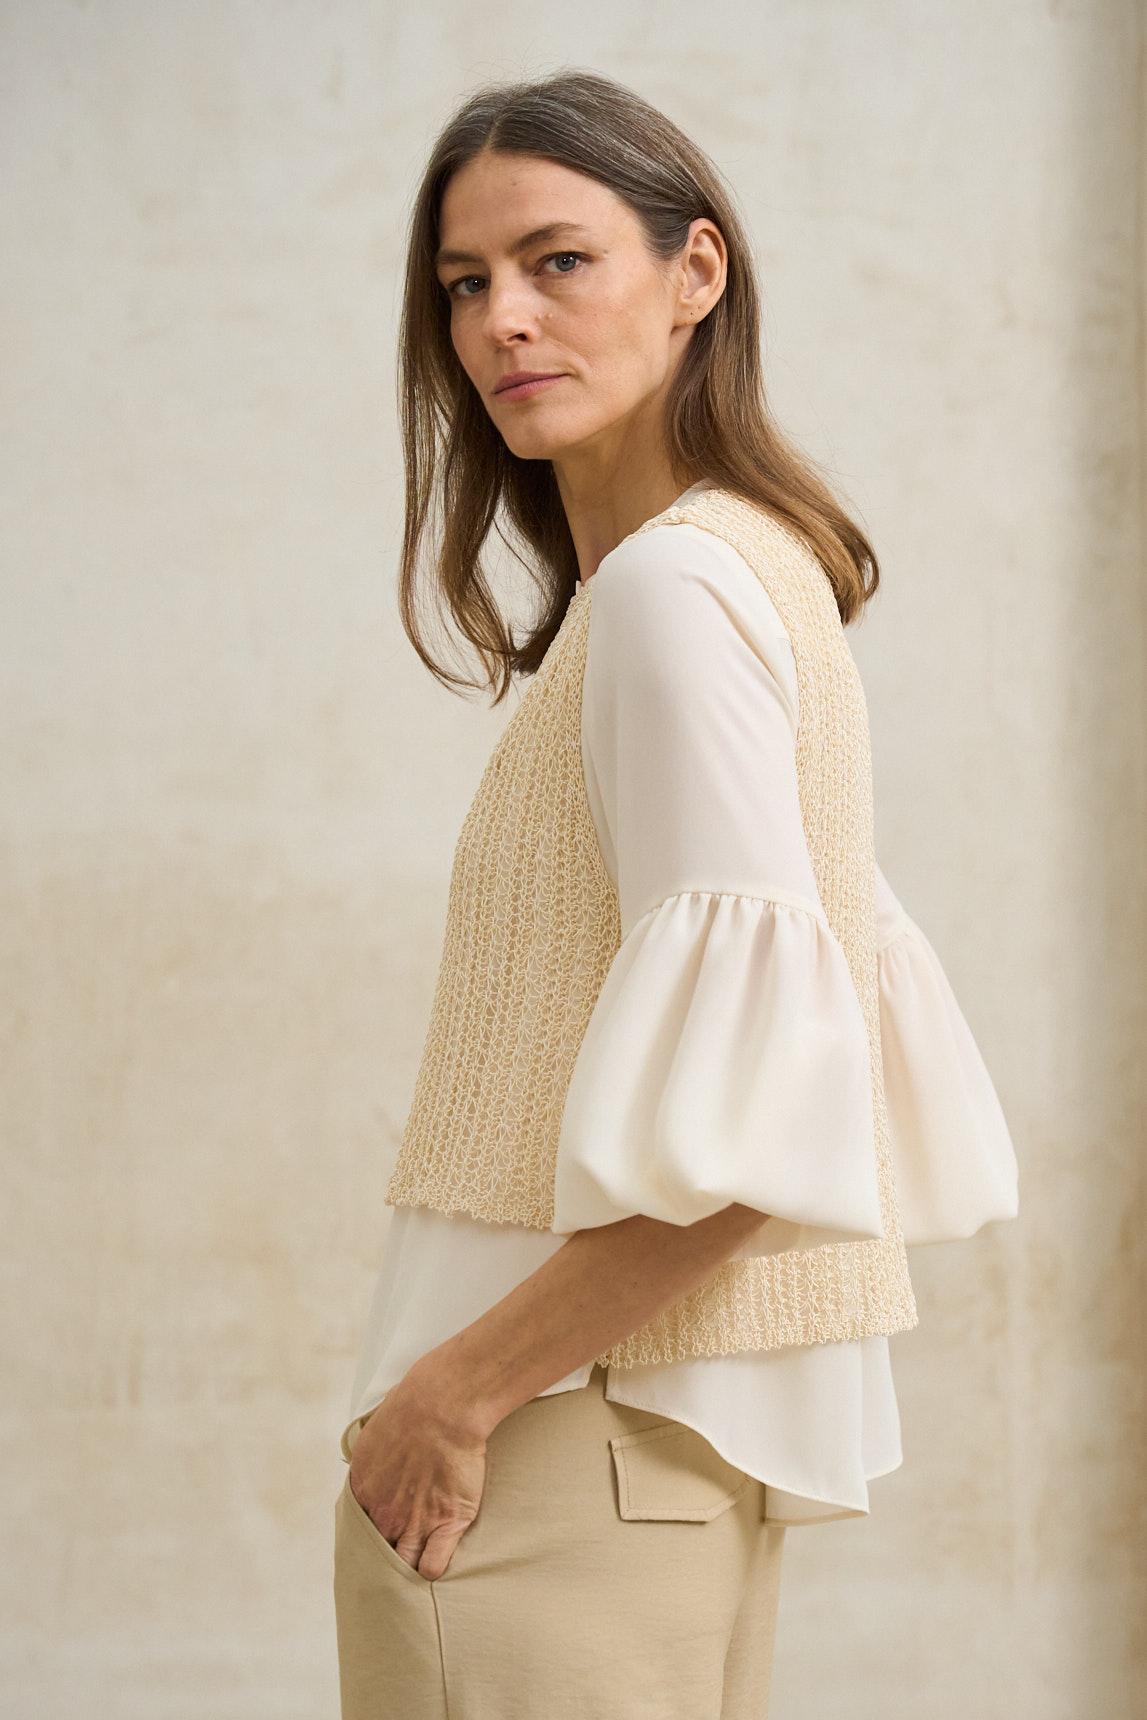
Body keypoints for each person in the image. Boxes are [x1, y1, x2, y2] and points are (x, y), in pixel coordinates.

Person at [332, 68, 1019, 1720]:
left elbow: (776, 1127)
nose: (502, 319)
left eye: (558, 261)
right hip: (641, 1472)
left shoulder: (672, 591)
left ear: (694, 271)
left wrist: (454, 1395)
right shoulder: (748, 569)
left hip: (545, 1466)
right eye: (464, 283)